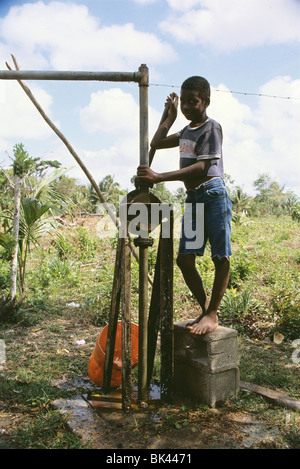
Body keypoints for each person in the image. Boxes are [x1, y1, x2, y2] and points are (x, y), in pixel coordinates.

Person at [137, 76, 232, 335]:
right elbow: (155, 143)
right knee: (185, 259)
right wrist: (170, 116)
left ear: (206, 102)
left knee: (220, 256)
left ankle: (212, 313)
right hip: (193, 199)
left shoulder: (211, 128)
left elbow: (202, 167)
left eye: (194, 101)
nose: (189, 106)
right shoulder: (185, 132)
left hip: (212, 195)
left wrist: (158, 177)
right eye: (185, 102)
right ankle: (206, 309)